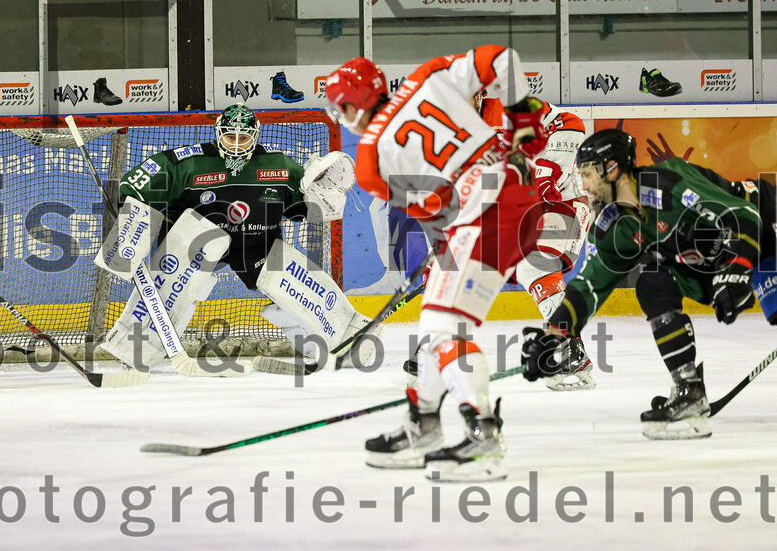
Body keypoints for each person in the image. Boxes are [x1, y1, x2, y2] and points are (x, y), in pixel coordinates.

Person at [325, 46, 552, 482]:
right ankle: (423, 424)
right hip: (519, 199)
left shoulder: (370, 161)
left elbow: (434, 207)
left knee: (445, 330)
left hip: (486, 214)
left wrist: (448, 242)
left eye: (341, 108)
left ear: (354, 104)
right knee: (434, 328)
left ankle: (483, 438)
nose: (341, 116)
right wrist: (523, 120)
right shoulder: (428, 76)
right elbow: (502, 58)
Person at [521, 129, 775, 440]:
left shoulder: (666, 183)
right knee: (652, 283)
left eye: (587, 174)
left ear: (612, 170)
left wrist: (737, 268)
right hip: (712, 256)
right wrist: (555, 334)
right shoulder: (616, 225)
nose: (583, 185)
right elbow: (590, 285)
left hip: (763, 231)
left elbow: (742, 215)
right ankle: (689, 389)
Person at [96, 103, 368, 371]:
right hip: (195, 239)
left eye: (244, 137)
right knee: (170, 287)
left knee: (288, 280)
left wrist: (321, 196)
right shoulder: (188, 163)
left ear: (256, 136)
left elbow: (302, 211)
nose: (236, 144)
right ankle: (133, 351)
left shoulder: (280, 166)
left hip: (254, 240)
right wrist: (134, 230)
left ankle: (345, 337)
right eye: (230, 136)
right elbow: (134, 186)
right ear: (217, 133)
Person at [475, 89, 596, 390]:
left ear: (480, 93)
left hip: (566, 200)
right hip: (528, 210)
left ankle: (568, 348)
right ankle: (571, 348)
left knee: (535, 265)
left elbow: (570, 121)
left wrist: (548, 169)